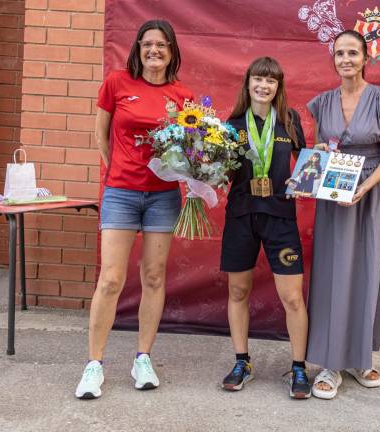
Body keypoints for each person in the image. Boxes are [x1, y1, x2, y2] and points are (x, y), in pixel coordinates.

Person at [75, 19, 193, 399]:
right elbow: (101, 132)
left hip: (163, 196)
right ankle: (94, 364)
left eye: (161, 45)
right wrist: (117, 171)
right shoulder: (117, 82)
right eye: (147, 44)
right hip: (122, 192)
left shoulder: (182, 96)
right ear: (138, 49)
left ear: (172, 51)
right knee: (110, 279)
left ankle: (143, 357)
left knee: (154, 277)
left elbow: (192, 149)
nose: (154, 51)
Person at [305, 30, 380, 399]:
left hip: (371, 194)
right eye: (340, 53)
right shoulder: (322, 102)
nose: (346, 59)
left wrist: (362, 188)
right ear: (334, 60)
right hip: (333, 194)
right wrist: (312, 172)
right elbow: (319, 146)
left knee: (366, 270)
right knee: (331, 272)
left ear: (365, 58)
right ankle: (329, 361)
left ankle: (360, 358)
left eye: (353, 53)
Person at [219, 57, 311, 399]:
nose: (264, 86)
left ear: (278, 86)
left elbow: (306, 162)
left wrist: (322, 164)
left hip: (280, 216)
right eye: (259, 79)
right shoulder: (230, 125)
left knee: (292, 297)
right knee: (238, 292)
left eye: (271, 81)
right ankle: (242, 361)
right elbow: (220, 171)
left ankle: (299, 367)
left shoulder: (289, 120)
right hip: (241, 215)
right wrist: (197, 172)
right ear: (248, 83)